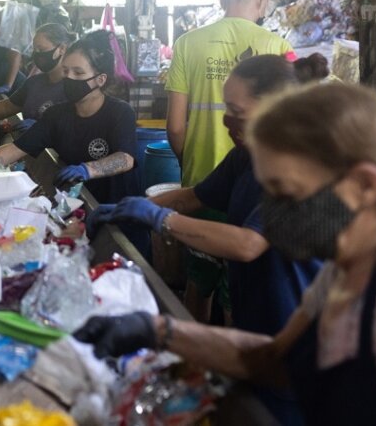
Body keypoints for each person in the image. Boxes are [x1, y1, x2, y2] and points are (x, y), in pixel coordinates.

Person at [73, 83, 376, 426]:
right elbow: (275, 360)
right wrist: (157, 330)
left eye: (286, 194)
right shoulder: (348, 264)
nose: (272, 216)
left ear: (365, 185)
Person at [87, 55, 320, 424]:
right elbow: (195, 196)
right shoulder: (246, 154)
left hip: (293, 327)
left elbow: (248, 244)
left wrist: (163, 220)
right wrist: (130, 207)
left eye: (235, 109)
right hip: (256, 331)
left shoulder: (299, 166)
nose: (227, 119)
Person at [165, 0, 294, 322]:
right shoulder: (277, 46)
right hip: (255, 188)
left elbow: (175, 126)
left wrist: (190, 162)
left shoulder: (188, 43)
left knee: (198, 280)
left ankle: (194, 364)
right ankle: (231, 363)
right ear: (262, 0)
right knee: (239, 290)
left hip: (202, 183)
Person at [0, 31, 147, 258]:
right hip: (80, 211)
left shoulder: (120, 113)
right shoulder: (56, 115)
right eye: (66, 71)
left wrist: (87, 169)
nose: (69, 78)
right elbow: (15, 149)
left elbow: (125, 158)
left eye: (78, 73)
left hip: (119, 213)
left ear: (100, 79)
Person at [0, 23, 71, 131]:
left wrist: (42, 130)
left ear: (62, 48)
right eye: (35, 49)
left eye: (41, 49)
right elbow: (7, 107)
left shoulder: (73, 89)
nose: (37, 54)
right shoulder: (34, 83)